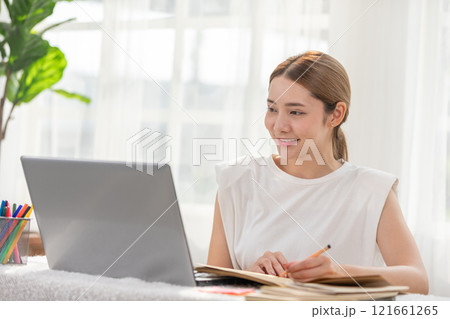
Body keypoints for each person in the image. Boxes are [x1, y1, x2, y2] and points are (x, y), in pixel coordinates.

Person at [207, 51, 429, 294]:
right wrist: (247, 277)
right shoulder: (238, 181)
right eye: (272, 109)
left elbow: (417, 280)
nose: (279, 125)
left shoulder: (372, 191)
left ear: (335, 114)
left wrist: (338, 274)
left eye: (295, 112)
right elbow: (210, 291)